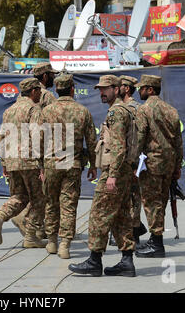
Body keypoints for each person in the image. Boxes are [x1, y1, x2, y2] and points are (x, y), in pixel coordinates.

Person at [68, 75, 136, 277]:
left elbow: (118, 146)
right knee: (122, 217)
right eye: (100, 89)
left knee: (99, 215)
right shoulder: (127, 110)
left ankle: (94, 260)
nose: (102, 92)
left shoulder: (116, 112)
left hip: (115, 171)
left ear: (117, 89)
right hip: (123, 170)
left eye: (106, 89)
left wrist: (112, 175)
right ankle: (127, 261)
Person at [40, 74, 97, 259]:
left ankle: (51, 241)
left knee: (51, 202)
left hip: (51, 163)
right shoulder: (82, 111)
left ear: (56, 89)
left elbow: (39, 141)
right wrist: (94, 165)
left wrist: (40, 166)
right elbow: (92, 141)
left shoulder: (46, 111)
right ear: (72, 89)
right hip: (72, 163)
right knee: (68, 204)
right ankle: (65, 244)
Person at [0, 77, 46, 248]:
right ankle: (31, 237)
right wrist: (42, 164)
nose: (40, 94)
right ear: (33, 91)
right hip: (30, 161)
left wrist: (4, 162)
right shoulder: (34, 109)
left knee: (19, 196)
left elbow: (2, 137)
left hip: (12, 160)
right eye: (39, 91)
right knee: (39, 199)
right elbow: (38, 136)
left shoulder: (9, 110)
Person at [134, 75, 183, 258]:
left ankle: (156, 243)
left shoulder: (144, 110)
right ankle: (156, 239)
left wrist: (133, 163)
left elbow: (139, 138)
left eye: (142, 88)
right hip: (169, 163)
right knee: (161, 201)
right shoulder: (171, 110)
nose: (139, 91)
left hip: (152, 163)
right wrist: (178, 166)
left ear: (151, 90)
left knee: (151, 202)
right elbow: (179, 142)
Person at [10, 62, 58, 238]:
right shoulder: (47, 96)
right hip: (41, 150)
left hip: (20, 151)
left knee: (33, 192)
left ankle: (37, 228)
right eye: (51, 75)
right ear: (45, 76)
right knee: (44, 192)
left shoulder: (21, 100)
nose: (54, 78)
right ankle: (27, 219)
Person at [119, 75, 148, 245]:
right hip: (124, 158)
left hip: (133, 159)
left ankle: (134, 233)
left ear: (127, 88)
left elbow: (141, 134)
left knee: (133, 197)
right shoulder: (120, 107)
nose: (117, 88)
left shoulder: (135, 108)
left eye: (120, 86)